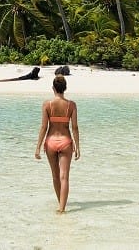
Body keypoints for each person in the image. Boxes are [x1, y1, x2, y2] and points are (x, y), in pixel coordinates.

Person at [35, 74, 80, 213]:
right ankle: (62, 209)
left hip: (51, 142)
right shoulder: (71, 105)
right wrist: (78, 147)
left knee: (55, 176)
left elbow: (44, 127)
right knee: (64, 176)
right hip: (66, 141)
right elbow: (74, 127)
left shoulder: (47, 104)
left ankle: (60, 204)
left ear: (53, 88)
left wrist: (37, 147)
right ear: (65, 88)